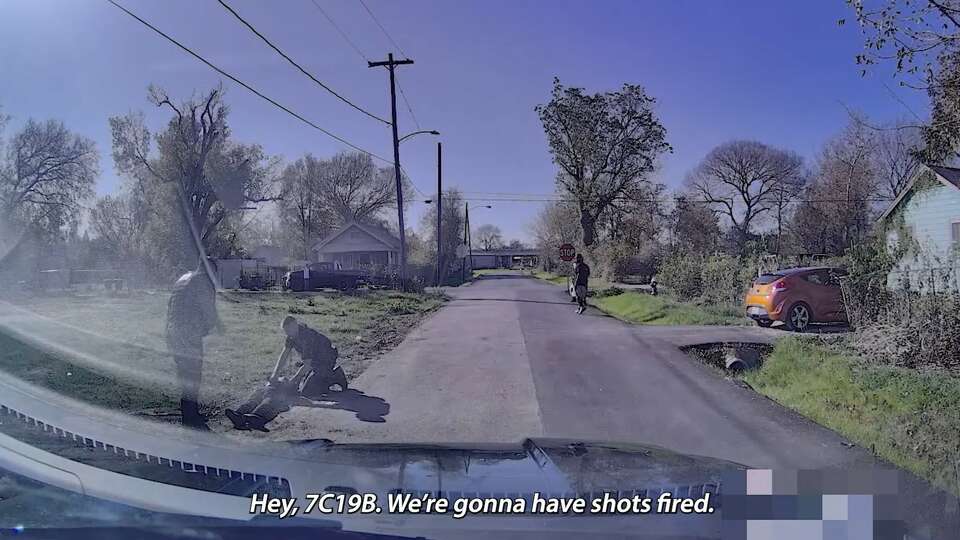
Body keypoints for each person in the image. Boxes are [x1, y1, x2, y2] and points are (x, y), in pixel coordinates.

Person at [225, 316, 345, 431]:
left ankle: (335, 375)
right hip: (312, 362)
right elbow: (283, 356)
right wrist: (275, 375)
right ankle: (240, 413)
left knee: (309, 391)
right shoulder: (291, 336)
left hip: (326, 358)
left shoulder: (307, 337)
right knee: (260, 394)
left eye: (289, 330)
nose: (288, 334)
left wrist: (293, 381)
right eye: (285, 331)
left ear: (295, 325)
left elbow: (307, 364)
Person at [165, 258, 223, 429]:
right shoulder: (204, 282)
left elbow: (170, 307)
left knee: (184, 374)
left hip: (172, 332)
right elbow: (209, 313)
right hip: (189, 334)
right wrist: (210, 328)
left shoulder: (182, 279)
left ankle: (189, 414)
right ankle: (191, 418)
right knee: (193, 375)